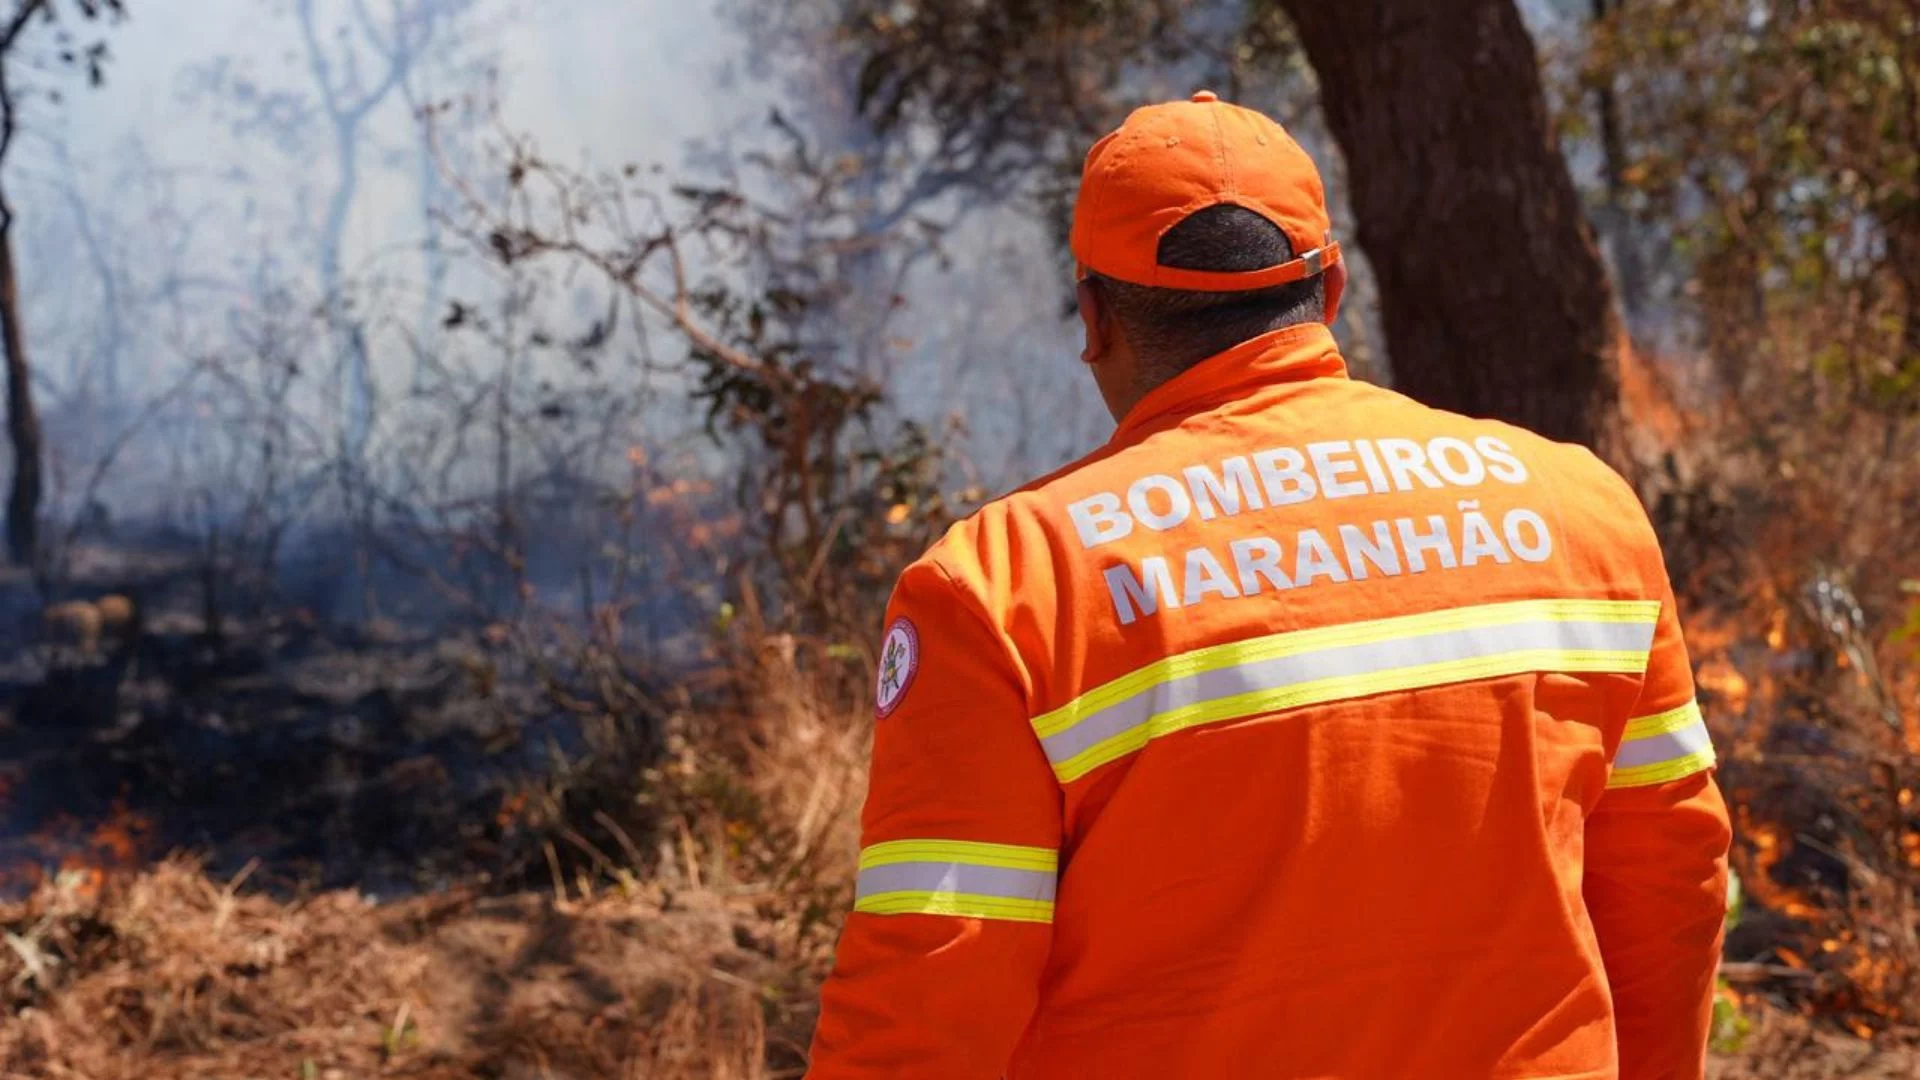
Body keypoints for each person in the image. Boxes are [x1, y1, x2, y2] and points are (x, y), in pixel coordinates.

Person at [807, 91, 1732, 1080]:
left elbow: (926, 1003)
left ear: (1093, 317)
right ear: (1330, 290)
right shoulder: (1582, 511)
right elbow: (1672, 882)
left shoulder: (1003, 588)